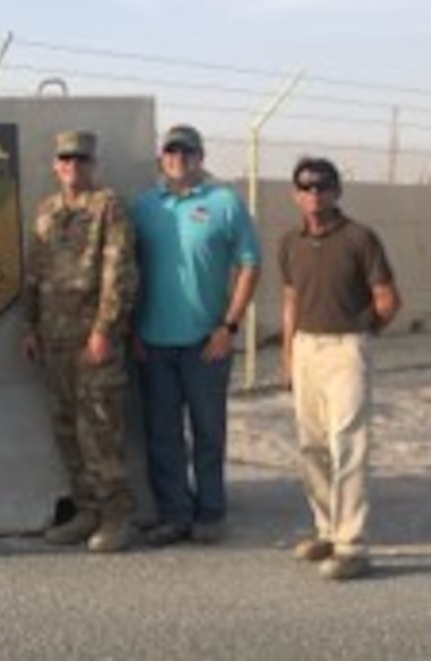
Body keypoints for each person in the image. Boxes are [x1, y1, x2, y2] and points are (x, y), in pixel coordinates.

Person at [130, 125, 261, 546]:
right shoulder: (146, 207)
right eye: (170, 151)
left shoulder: (224, 203)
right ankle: (174, 514)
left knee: (208, 431)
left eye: (186, 151)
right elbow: (126, 272)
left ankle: (211, 511)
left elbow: (250, 264)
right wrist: (132, 329)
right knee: (163, 434)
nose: (178, 158)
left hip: (208, 342)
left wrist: (230, 326)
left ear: (201, 157)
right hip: (154, 342)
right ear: (160, 158)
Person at [279, 157, 402, 581]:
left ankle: (352, 545)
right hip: (305, 348)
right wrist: (289, 355)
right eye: (306, 187)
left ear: (336, 191)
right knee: (311, 446)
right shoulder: (290, 242)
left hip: (346, 350)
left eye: (323, 187)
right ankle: (326, 530)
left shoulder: (360, 238)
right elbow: (291, 298)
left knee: (348, 445)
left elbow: (388, 300)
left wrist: (359, 337)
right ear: (296, 194)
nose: (314, 195)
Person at [21, 131, 138, 553]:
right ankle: (87, 509)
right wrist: (30, 326)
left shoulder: (108, 206)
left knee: (101, 429)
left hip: (93, 342)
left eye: (80, 159)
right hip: (54, 340)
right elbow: (34, 272)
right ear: (55, 165)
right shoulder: (47, 210)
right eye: (65, 159)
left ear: (93, 164)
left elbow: (117, 272)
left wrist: (105, 330)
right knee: (67, 428)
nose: (73, 166)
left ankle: (116, 516)